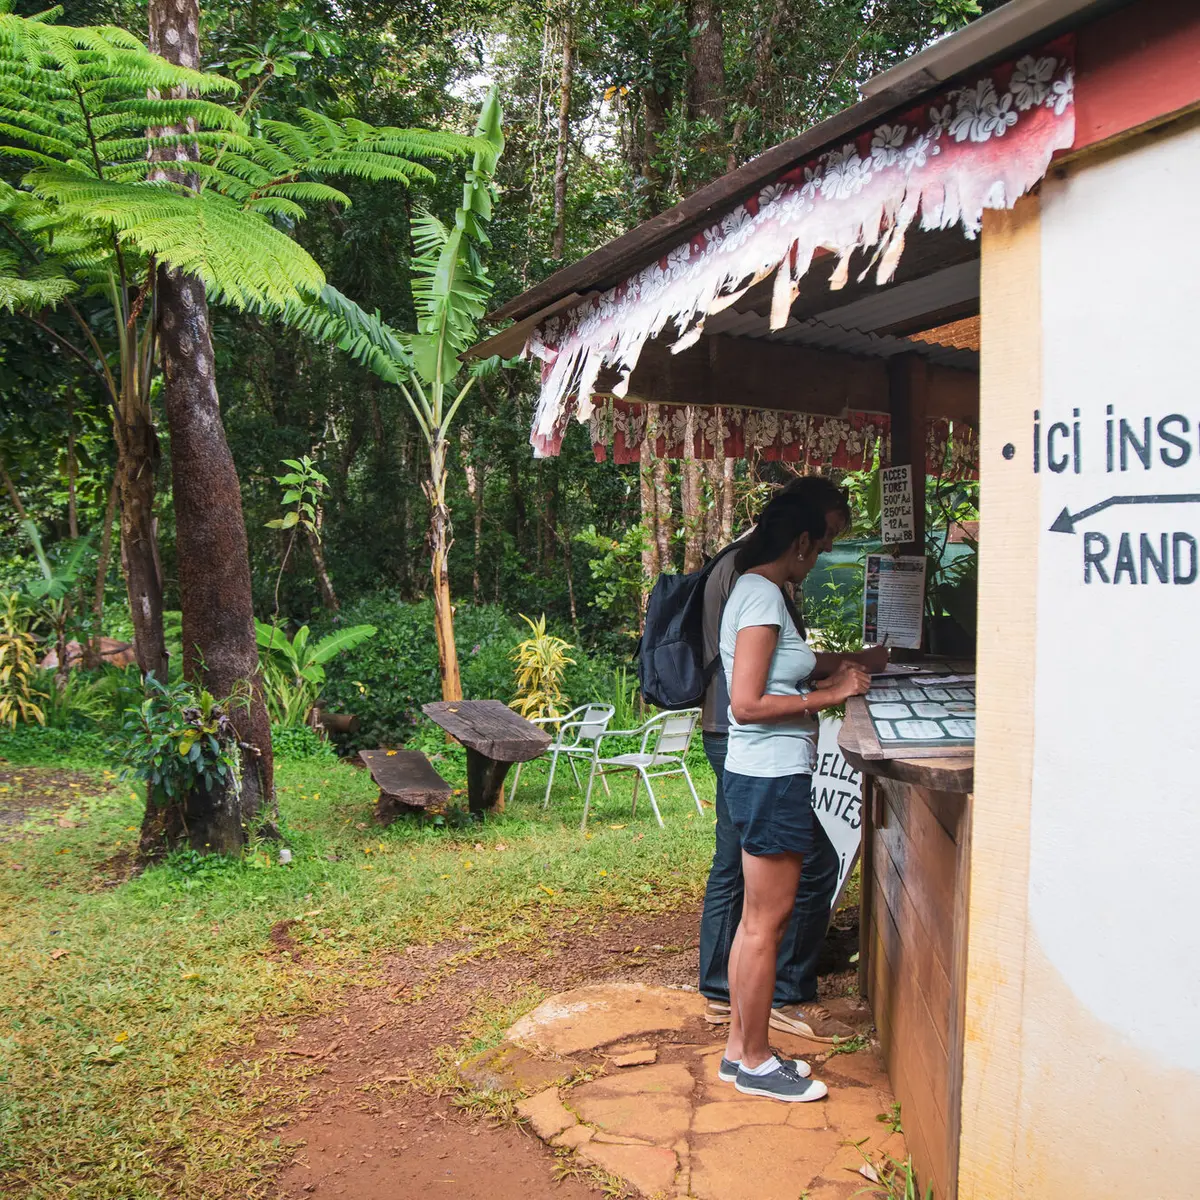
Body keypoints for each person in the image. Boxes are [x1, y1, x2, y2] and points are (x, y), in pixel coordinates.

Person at [699, 477, 887, 1043]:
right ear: (800, 539)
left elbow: (774, 671)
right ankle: (753, 1054)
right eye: (824, 541)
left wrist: (844, 667)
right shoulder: (760, 594)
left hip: (765, 773)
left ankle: (742, 1044)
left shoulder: (760, 590)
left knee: (756, 920)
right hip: (769, 774)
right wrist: (830, 694)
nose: (825, 552)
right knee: (763, 923)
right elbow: (748, 704)